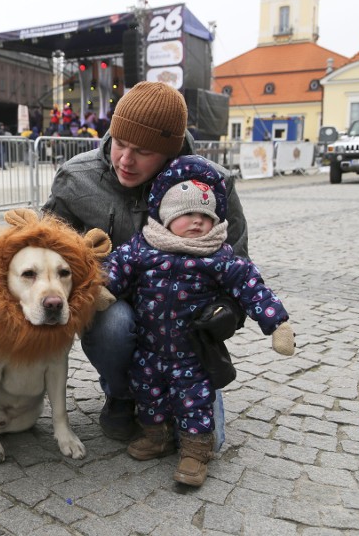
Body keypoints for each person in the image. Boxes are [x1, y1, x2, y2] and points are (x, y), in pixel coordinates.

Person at [42, 81, 248, 443]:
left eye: (143, 151)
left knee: (206, 442)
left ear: (169, 153)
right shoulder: (77, 177)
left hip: (182, 316)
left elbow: (239, 261)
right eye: (120, 143)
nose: (125, 159)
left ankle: (174, 395)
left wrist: (226, 310)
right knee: (115, 323)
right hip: (112, 304)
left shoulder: (212, 184)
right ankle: (122, 395)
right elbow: (45, 252)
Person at [103, 155, 295, 486]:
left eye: (205, 216)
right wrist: (104, 290)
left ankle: (195, 453)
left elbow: (252, 286)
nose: (197, 222)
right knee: (148, 394)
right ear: (166, 216)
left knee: (194, 402)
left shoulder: (218, 256)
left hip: (191, 352)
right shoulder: (144, 246)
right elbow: (118, 266)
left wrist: (277, 323)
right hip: (148, 347)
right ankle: (157, 436)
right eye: (187, 214)